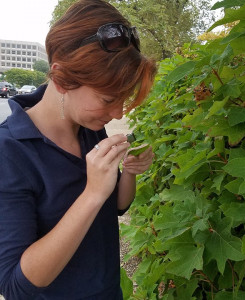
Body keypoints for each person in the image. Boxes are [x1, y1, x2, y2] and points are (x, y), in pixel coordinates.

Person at [0, 0, 157, 299]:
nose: (119, 114)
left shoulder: (89, 127)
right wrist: (91, 194)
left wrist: (130, 173)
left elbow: (117, 206)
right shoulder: (9, 152)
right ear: (62, 79)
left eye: (122, 99)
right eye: (108, 98)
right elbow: (14, 285)